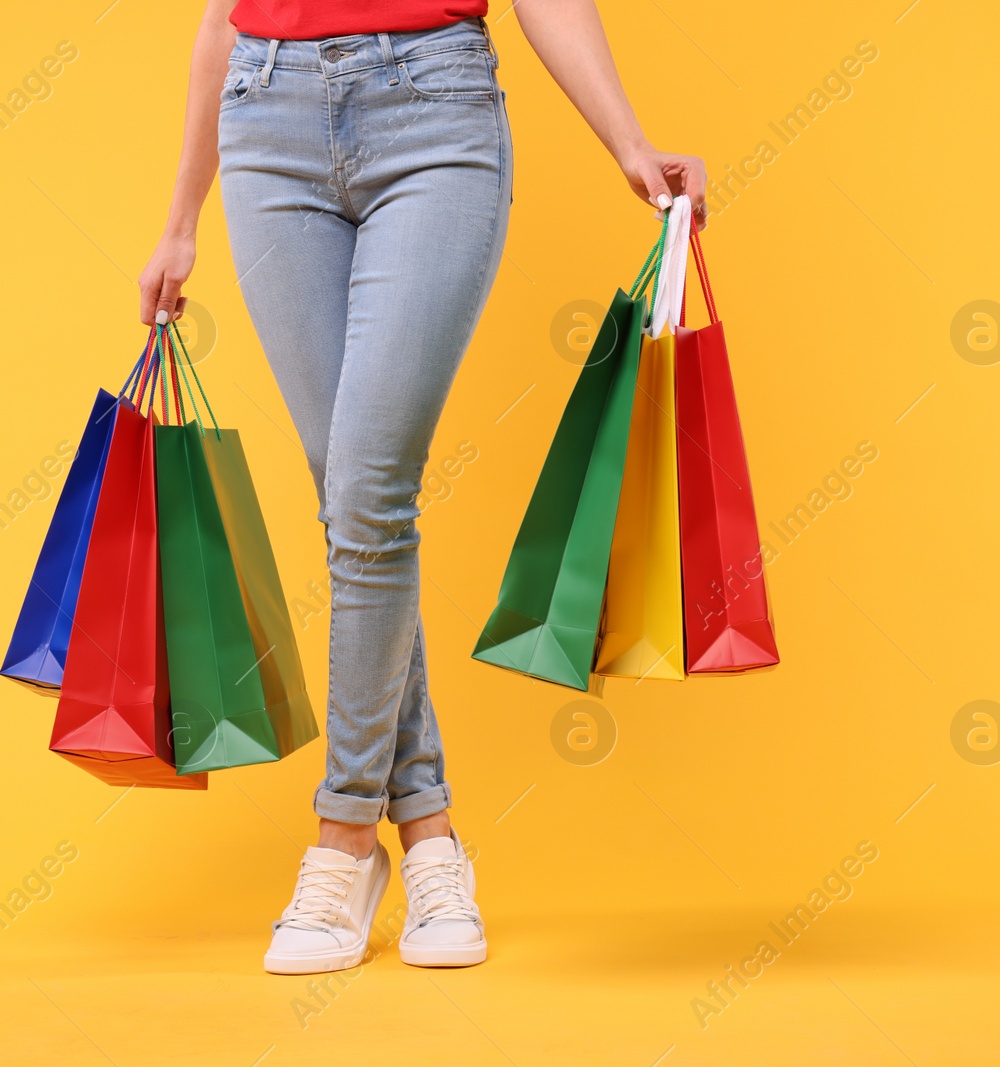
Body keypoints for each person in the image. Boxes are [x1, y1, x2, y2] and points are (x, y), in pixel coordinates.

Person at [139, 0, 706, 974]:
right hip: (265, 120)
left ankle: (344, 836)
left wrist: (627, 139)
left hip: (433, 113)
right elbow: (218, 16)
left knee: (366, 491)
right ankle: (432, 833)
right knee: (352, 501)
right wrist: (180, 220)